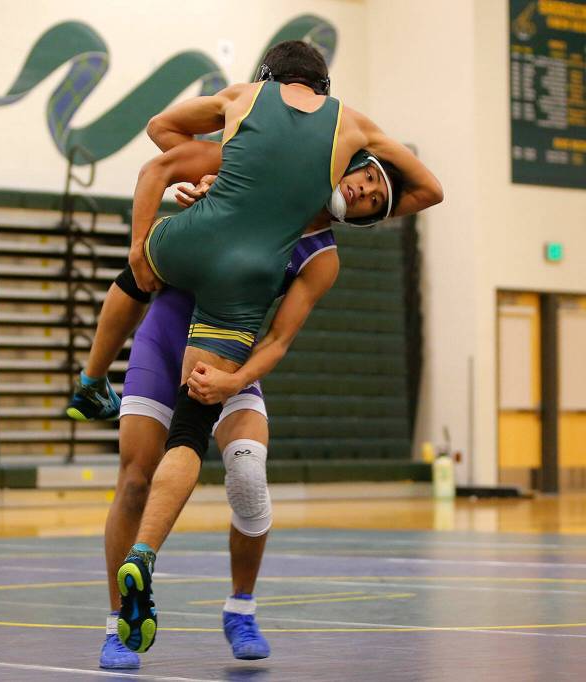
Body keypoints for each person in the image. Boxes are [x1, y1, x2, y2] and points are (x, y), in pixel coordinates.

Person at [114, 41, 443, 653]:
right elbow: (163, 156)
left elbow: (279, 340)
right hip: (176, 321)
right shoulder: (245, 165)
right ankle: (118, 622)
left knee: (246, 472)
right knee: (135, 474)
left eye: (374, 202)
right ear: (348, 156)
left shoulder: (321, 253)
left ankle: (240, 608)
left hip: (232, 346)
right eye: (366, 179)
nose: (365, 193)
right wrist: (202, 180)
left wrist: (237, 382)